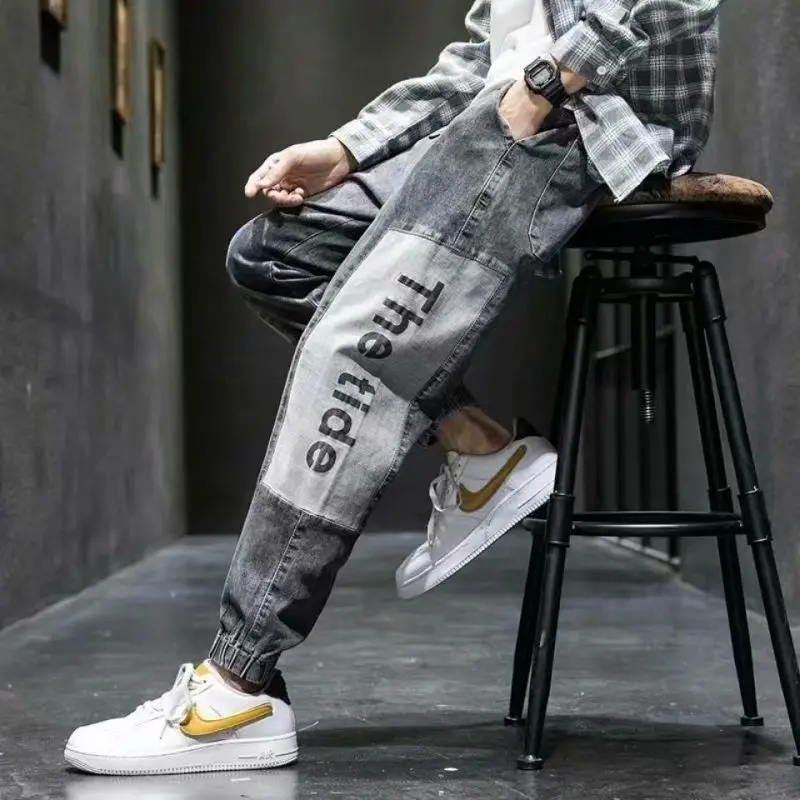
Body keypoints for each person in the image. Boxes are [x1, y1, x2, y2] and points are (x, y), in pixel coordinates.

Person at [64, 0, 719, 776]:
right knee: (274, 255)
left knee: (350, 346)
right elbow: (479, 55)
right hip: (503, 111)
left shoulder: (553, 95)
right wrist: (345, 148)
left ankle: (238, 685)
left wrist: (540, 87)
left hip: (582, 125)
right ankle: (481, 449)